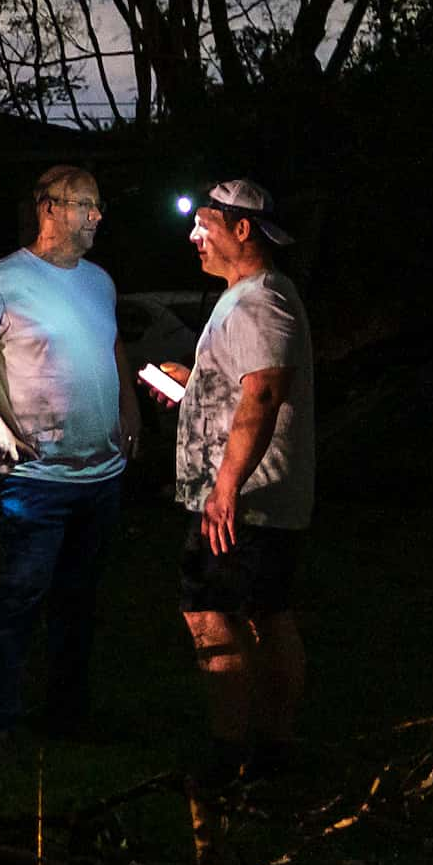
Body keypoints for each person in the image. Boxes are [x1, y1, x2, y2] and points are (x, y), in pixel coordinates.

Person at [0, 165, 139, 754]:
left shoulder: (99, 282)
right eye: (85, 204)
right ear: (48, 208)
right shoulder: (4, 283)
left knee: (80, 604)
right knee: (21, 602)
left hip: (102, 476)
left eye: (98, 203)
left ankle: (69, 715)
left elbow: (113, 346)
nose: (97, 216)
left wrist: (131, 414)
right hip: (37, 480)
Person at [151, 179, 315, 784]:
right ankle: (269, 750)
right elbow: (243, 386)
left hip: (244, 502)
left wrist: (224, 489)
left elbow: (266, 392)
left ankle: (233, 754)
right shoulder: (244, 298)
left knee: (212, 613)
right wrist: (192, 384)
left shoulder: (262, 302)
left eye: (207, 224)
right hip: (244, 498)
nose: (195, 236)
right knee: (264, 612)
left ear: (242, 229)